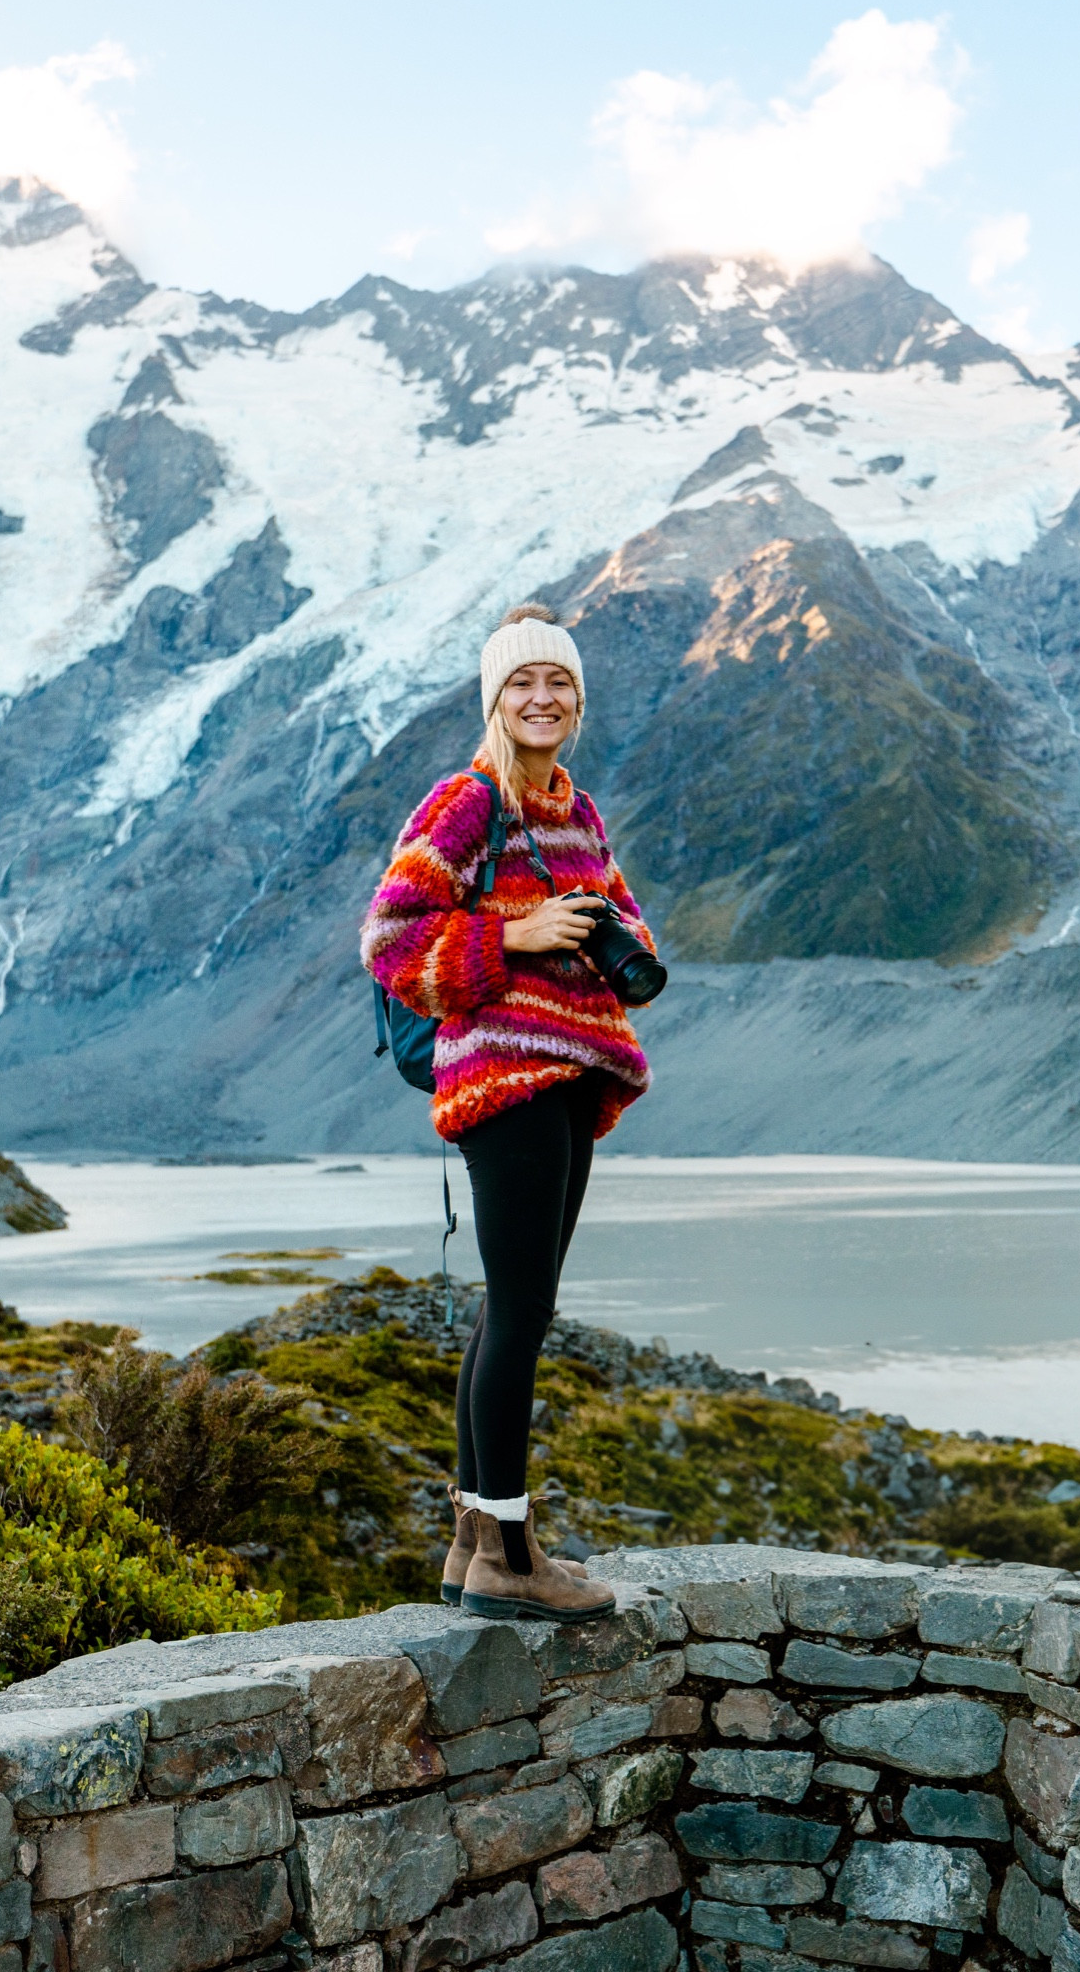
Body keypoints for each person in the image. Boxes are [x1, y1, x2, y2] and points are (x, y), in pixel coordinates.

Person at [361, 605, 656, 1622]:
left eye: (559, 683)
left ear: (577, 700)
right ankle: (512, 1553)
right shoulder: (466, 802)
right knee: (523, 1309)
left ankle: (469, 1542)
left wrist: (607, 929)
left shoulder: (575, 809)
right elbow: (392, 939)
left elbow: (614, 905)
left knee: (507, 1305)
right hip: (502, 1079)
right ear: (495, 697)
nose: (542, 698)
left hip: (568, 1076)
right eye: (522, 682)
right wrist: (516, 934)